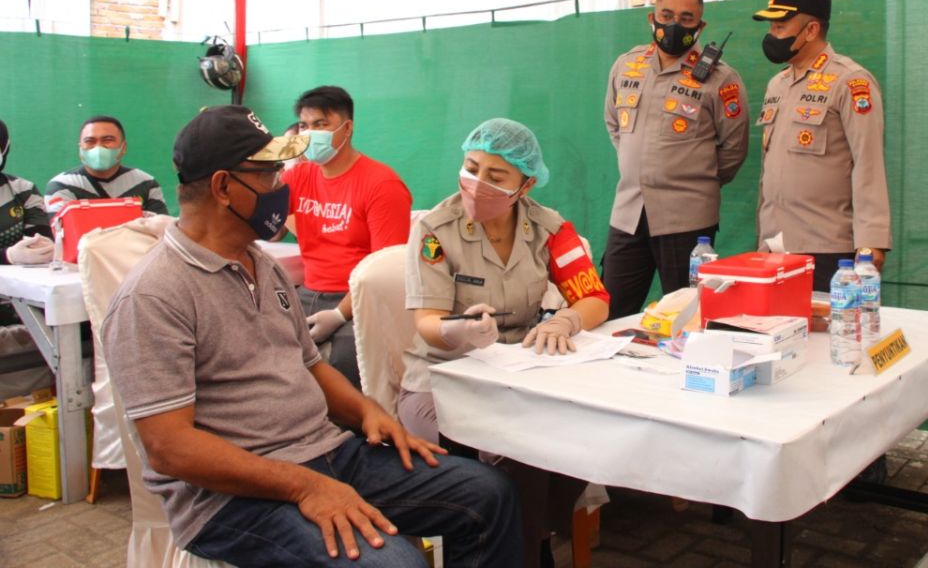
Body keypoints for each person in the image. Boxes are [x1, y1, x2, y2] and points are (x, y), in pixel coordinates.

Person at [102, 105, 521, 568]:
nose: (283, 185)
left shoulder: (260, 263)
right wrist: (304, 485)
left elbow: (308, 364)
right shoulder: (153, 296)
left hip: (327, 453)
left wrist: (368, 413)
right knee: (394, 564)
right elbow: (169, 447)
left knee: (488, 494)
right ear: (223, 187)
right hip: (230, 499)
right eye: (270, 175)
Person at [400, 118, 609, 568]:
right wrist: (460, 331)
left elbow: (594, 297)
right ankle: (524, 549)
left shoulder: (551, 229)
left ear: (525, 184)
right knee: (519, 447)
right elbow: (427, 322)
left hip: (520, 371)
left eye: (496, 177)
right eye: (471, 167)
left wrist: (566, 322)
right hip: (441, 377)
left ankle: (527, 543)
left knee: (572, 434)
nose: (477, 183)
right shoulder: (435, 229)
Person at [602, 0, 749, 319]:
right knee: (610, 312)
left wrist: (693, 181)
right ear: (652, 17)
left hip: (687, 221)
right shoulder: (627, 65)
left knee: (688, 317)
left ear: (700, 26)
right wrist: (639, 168)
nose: (673, 26)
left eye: (686, 19)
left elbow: (733, 148)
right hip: (628, 212)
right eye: (666, 15)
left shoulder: (721, 78)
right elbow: (614, 125)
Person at [754, 0, 891, 292]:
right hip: (775, 245)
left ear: (811, 30)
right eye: (771, 27)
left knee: (824, 337)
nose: (771, 35)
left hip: (827, 249)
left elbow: (868, 163)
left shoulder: (850, 81)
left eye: (780, 27)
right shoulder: (777, 83)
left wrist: (871, 241)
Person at [285, 86, 412, 389]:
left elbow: (385, 272)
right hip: (306, 293)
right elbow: (264, 227)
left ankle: (353, 433)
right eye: (304, 126)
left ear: (347, 128)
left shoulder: (382, 184)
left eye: (320, 125)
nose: (310, 133)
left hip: (359, 299)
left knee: (346, 362)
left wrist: (340, 314)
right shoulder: (297, 176)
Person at [45, 115, 169, 215]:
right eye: (90, 141)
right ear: (80, 148)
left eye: (107, 140)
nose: (98, 147)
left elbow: (158, 231)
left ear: (123, 147)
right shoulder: (61, 185)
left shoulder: (146, 183)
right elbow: (67, 234)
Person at [0, 119, 54, 266]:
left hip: (14, 285)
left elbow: (40, 236)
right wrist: (7, 256)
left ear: (5, 148)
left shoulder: (24, 190)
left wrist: (42, 246)